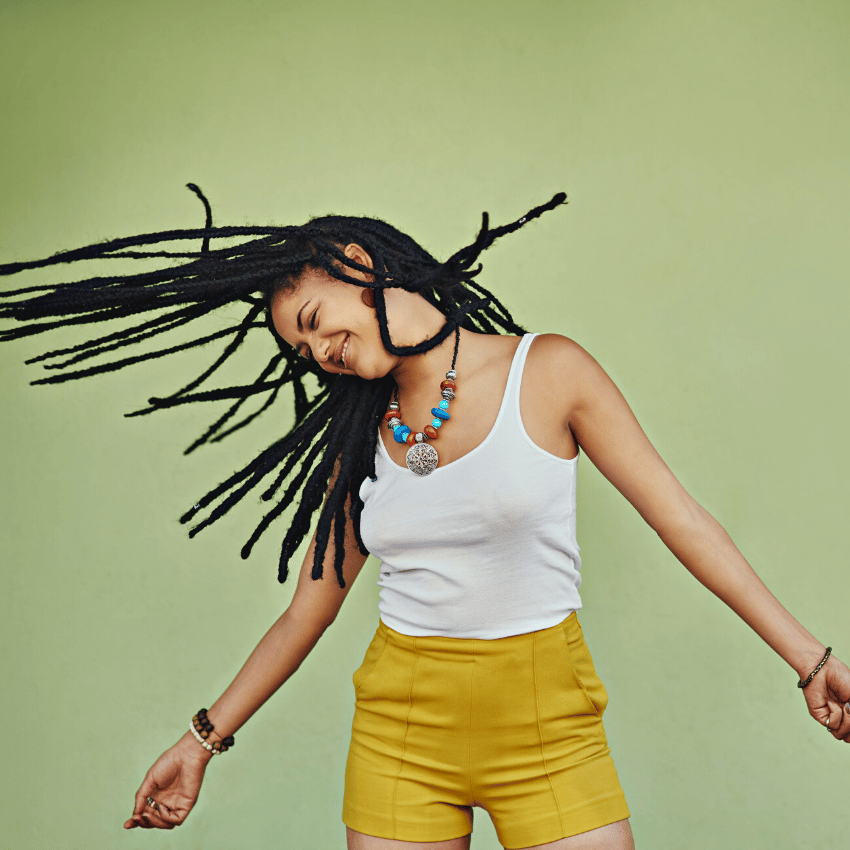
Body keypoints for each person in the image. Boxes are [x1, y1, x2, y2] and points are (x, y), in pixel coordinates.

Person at [2, 188, 848, 850]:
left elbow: (685, 524)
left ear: (357, 261)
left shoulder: (548, 371)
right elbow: (311, 606)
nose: (318, 351)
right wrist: (202, 739)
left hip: (548, 720)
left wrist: (811, 660)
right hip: (401, 729)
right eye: (301, 352)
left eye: (313, 322)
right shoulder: (359, 434)